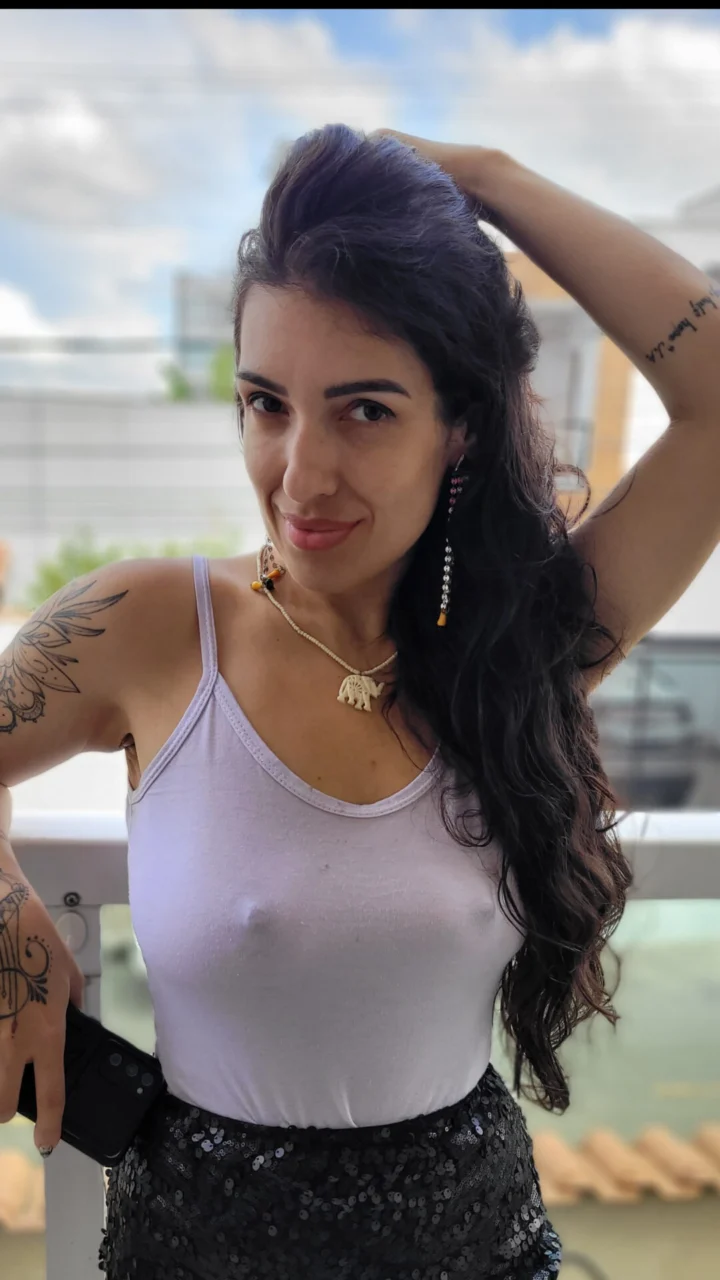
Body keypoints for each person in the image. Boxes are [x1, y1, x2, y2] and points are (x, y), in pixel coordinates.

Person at [1, 124, 719, 1280]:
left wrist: (488, 179)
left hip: (476, 1246)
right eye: (266, 402)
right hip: (195, 1247)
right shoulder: (151, 626)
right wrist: (7, 917)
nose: (300, 473)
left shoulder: (518, 648)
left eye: (366, 410)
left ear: (461, 426)